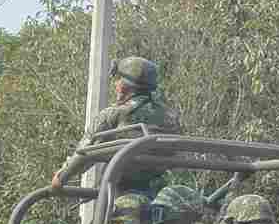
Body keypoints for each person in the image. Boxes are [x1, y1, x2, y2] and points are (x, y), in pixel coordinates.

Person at [50, 56, 181, 197]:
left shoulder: (113, 114)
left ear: (123, 86)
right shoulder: (170, 117)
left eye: (117, 80)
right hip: (161, 196)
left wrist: (60, 178)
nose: (115, 85)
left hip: (120, 195)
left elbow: (85, 153)